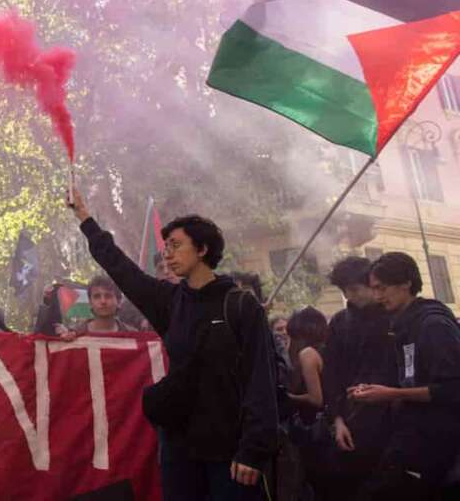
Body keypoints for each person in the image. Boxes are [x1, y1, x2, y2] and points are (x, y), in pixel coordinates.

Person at [69, 187, 277, 500]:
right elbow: (119, 266)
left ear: (203, 249)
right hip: (179, 449)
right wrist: (84, 217)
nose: (167, 253)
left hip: (231, 453)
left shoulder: (240, 306)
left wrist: (254, 449)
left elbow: (261, 380)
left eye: (176, 246)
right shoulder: (167, 301)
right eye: (165, 246)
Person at [350, 252, 460, 500]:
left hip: (437, 446)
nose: (378, 296)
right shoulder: (404, 325)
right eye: (374, 289)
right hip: (413, 439)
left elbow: (453, 389)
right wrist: (375, 390)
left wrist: (391, 394)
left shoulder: (434, 325)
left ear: (406, 283)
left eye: (383, 288)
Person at [319, 256, 396, 499]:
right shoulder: (340, 323)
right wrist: (337, 419)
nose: (350, 296)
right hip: (353, 421)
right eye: (344, 291)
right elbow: (331, 374)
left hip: (394, 421)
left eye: (354, 289)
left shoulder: (395, 317)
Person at [284, 307, 328, 499]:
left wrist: (288, 398)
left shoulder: (307, 354)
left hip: (314, 431)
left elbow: (315, 398)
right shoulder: (325, 349)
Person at [62, 276, 135, 337]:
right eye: (97, 296)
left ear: (119, 302)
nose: (103, 301)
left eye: (108, 296)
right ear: (90, 303)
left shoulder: (133, 335)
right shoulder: (75, 334)